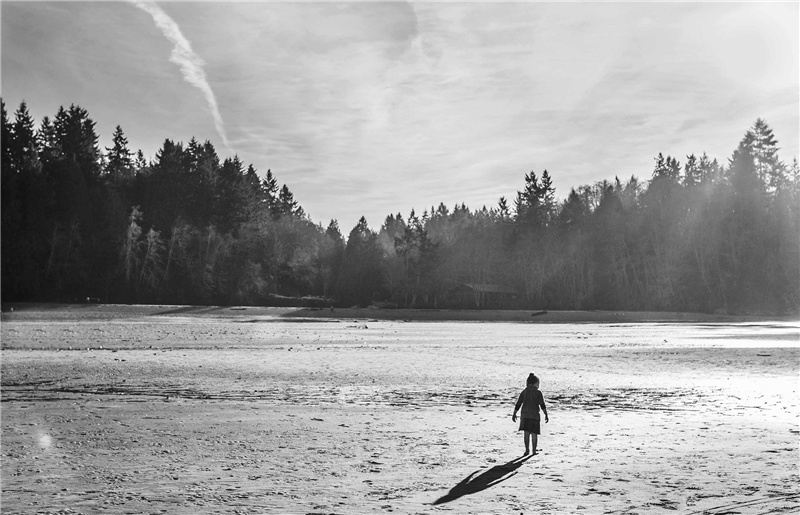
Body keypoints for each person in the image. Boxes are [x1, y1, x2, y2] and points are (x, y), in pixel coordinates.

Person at [512, 373, 548, 455]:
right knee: (534, 434)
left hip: (525, 416)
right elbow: (542, 405)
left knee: (526, 433)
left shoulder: (524, 392)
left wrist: (514, 413)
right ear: (536, 384)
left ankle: (527, 450)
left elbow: (518, 404)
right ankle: (534, 451)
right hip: (535, 416)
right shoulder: (538, 393)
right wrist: (546, 414)